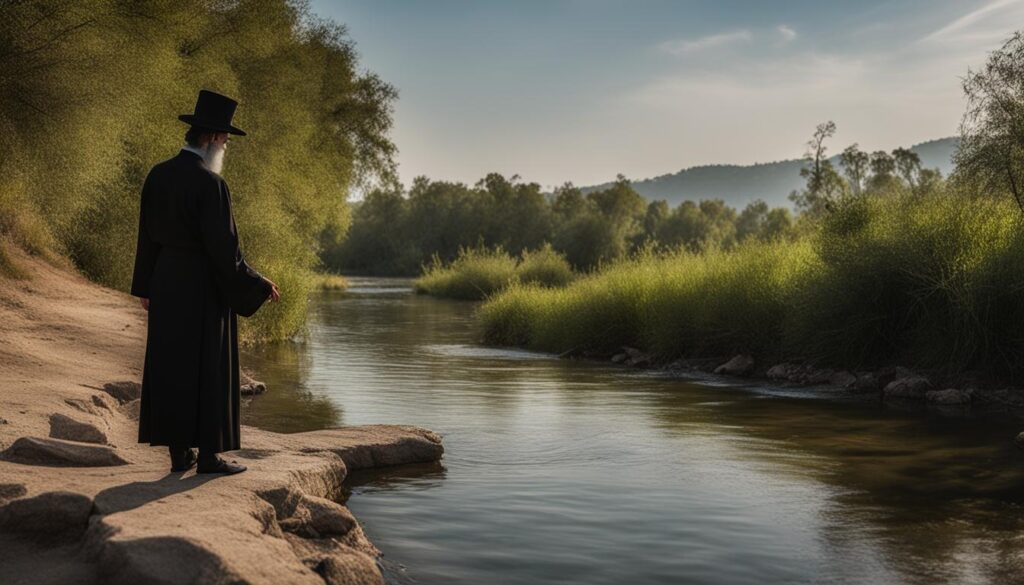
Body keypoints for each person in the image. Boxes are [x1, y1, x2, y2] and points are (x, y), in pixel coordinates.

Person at [129, 89, 281, 475]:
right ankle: (210, 457)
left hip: (165, 281)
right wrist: (258, 283)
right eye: (226, 140)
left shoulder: (158, 174)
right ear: (212, 138)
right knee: (210, 367)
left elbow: (145, 236)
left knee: (172, 366)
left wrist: (145, 287)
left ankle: (180, 454)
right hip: (202, 286)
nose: (226, 147)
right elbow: (224, 252)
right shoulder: (211, 185)